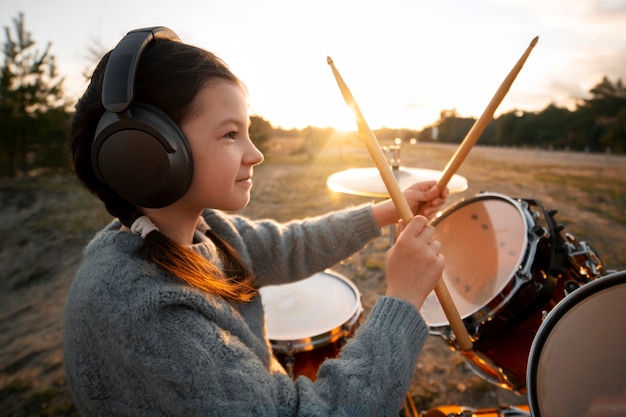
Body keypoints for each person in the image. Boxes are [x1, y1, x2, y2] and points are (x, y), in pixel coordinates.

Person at [63, 26, 448, 417]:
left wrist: (389, 210)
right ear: (146, 151)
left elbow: (290, 245)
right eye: (231, 134)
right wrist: (403, 298)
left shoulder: (204, 230)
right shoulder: (148, 313)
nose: (256, 154)